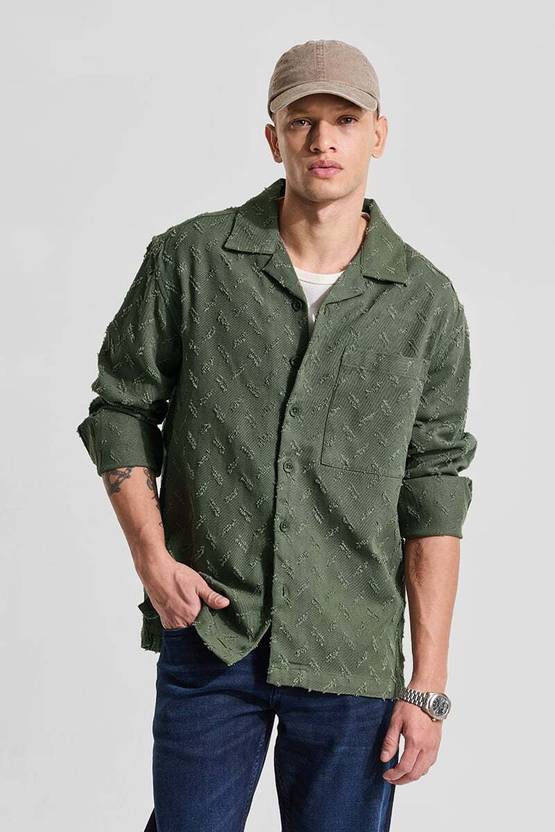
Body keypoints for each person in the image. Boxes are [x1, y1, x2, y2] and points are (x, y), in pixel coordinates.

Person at [77, 39, 477, 832]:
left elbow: (433, 486)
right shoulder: (191, 261)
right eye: (301, 121)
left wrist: (427, 684)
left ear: (377, 134)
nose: (322, 139)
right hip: (212, 626)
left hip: (350, 647)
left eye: (344, 120)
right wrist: (152, 560)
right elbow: (119, 408)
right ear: (273, 138)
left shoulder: (424, 303)